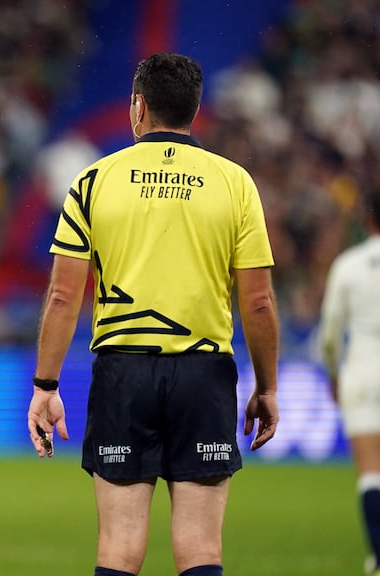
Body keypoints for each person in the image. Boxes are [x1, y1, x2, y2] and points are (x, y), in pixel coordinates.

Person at [27, 52, 280, 576]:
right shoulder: (234, 183)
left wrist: (45, 385)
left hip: (124, 373)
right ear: (195, 110)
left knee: (119, 548)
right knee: (201, 549)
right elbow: (258, 301)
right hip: (203, 373)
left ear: (137, 107)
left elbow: (61, 296)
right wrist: (268, 387)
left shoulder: (93, 180)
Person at [318, 187, 380, 576]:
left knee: (371, 472)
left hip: (365, 371)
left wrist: (333, 373)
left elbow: (331, 333)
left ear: (368, 222)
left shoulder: (350, 264)